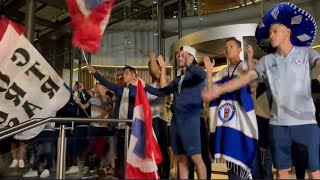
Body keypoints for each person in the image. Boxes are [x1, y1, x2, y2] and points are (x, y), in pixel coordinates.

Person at [203, 2, 320, 179]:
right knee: (281, 173)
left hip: (306, 123)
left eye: (274, 31)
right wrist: (218, 90)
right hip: (277, 125)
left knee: (314, 171)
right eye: (269, 32)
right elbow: (245, 78)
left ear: (287, 32)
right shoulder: (267, 61)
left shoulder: (306, 53)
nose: (270, 35)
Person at [144, 46, 207, 179]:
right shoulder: (179, 79)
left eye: (183, 55)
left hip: (190, 119)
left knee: (196, 157)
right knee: (181, 158)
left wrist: (189, 63)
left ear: (191, 57)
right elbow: (163, 91)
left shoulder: (196, 74)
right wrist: (144, 86)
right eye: (179, 55)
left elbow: (203, 75)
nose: (179, 57)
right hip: (176, 120)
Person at [204, 38, 257, 180]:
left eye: (231, 46)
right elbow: (211, 92)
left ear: (240, 50)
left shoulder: (245, 66)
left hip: (243, 121)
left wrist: (250, 60)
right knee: (231, 162)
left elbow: (251, 86)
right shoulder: (223, 71)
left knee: (244, 161)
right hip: (227, 122)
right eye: (226, 47)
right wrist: (209, 73)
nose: (227, 49)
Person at [86, 65, 137, 178]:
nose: (124, 75)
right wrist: (95, 73)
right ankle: (119, 174)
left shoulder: (137, 90)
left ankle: (130, 175)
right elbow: (106, 83)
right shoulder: (119, 89)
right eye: (124, 73)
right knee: (119, 152)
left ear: (134, 75)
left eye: (127, 73)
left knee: (131, 154)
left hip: (132, 127)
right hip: (119, 126)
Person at [146, 52, 170, 179]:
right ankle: (154, 174)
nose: (151, 69)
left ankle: (164, 175)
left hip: (160, 118)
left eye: (153, 66)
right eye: (150, 67)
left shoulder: (164, 79)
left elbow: (163, 88)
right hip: (150, 120)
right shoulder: (148, 86)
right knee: (151, 149)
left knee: (162, 149)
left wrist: (152, 56)